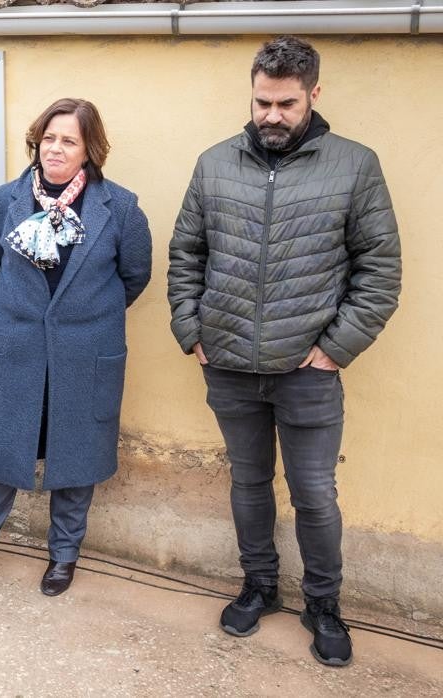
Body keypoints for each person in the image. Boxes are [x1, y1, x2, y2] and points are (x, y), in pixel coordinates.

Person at [167, 36, 401, 667]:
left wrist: (332, 351)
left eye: (286, 104)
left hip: (308, 373)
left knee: (315, 494)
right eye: (262, 102)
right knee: (248, 483)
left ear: (313, 95)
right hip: (231, 365)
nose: (271, 115)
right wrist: (192, 330)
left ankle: (323, 604)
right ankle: (259, 586)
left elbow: (379, 271)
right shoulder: (215, 163)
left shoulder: (354, 165)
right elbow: (186, 252)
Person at [0, 98, 152, 601]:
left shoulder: (120, 208)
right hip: (17, 349)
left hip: (85, 353)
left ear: (89, 150)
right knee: (0, 456)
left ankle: (64, 555)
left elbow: (134, 277)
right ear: (36, 143)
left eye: (69, 140)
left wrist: (79, 318)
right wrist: (32, 315)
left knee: (75, 456)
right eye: (49, 138)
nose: (56, 149)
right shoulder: (4, 202)